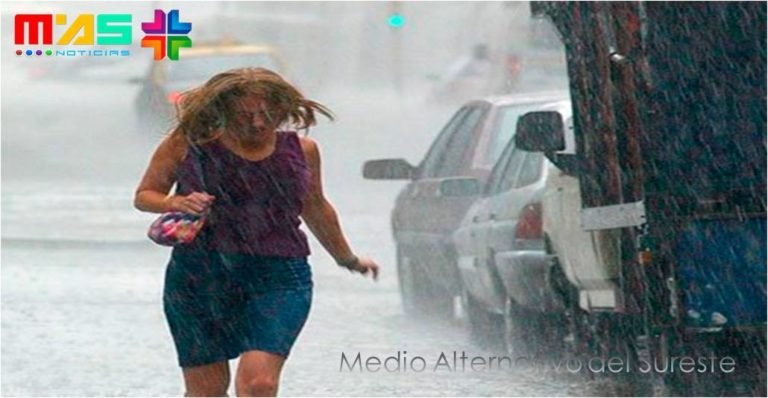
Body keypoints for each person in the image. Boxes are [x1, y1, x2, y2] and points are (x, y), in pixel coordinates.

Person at [134, 67, 379, 397]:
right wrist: (176, 202)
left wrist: (347, 258)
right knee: (207, 390)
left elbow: (316, 207)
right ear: (222, 112)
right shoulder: (187, 144)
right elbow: (144, 195)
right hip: (200, 277)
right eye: (244, 115)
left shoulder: (302, 152)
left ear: (282, 110)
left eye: (267, 114)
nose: (258, 124)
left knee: (259, 384)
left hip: (279, 275)